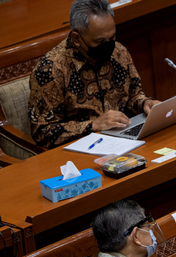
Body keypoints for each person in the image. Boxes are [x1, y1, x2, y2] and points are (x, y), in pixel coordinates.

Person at [28, 0, 161, 148]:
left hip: (123, 138)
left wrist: (145, 103)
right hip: (78, 150)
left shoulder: (119, 52)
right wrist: (94, 125)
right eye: (100, 41)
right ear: (77, 39)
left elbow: (132, 95)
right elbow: (42, 132)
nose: (109, 45)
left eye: (112, 38)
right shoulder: (51, 70)